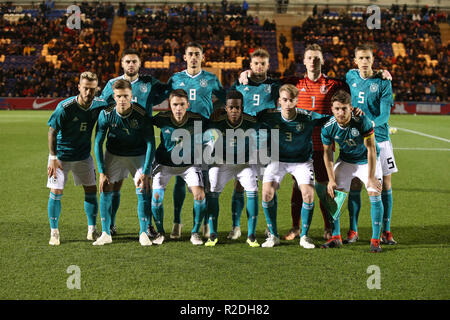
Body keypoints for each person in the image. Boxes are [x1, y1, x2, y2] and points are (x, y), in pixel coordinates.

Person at [100, 48, 168, 237]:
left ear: (140, 64)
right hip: (117, 146)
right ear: (122, 64)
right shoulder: (112, 84)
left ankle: (147, 227)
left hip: (141, 146)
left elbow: (169, 90)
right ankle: (111, 225)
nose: (131, 64)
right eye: (127, 61)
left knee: (145, 186)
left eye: (134, 61)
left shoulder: (149, 83)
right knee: (115, 186)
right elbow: (101, 105)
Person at [284, 44, 349, 242]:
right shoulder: (295, 83)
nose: (313, 61)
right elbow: (266, 83)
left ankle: (329, 228)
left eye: (317, 58)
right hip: (301, 147)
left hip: (323, 147)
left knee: (325, 188)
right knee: (297, 187)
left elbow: (353, 88)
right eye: (309, 57)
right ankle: (296, 227)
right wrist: (246, 74)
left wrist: (381, 73)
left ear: (322, 61)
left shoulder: (334, 85)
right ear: (304, 61)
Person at [167, 42, 226, 240]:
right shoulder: (175, 79)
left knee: (206, 179)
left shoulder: (211, 79)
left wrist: (214, 112)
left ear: (202, 57)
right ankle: (177, 222)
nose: (193, 57)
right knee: (180, 179)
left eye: (197, 54)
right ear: (184, 57)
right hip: (183, 134)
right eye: (190, 54)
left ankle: (204, 225)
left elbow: (225, 98)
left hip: (206, 135)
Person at [258, 84, 329, 248]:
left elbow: (329, 118)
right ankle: (273, 235)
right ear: (279, 101)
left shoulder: (308, 117)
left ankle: (304, 236)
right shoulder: (270, 116)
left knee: (308, 194)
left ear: (297, 100)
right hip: (277, 160)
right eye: (284, 100)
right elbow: (248, 117)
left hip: (302, 162)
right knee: (267, 193)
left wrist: (352, 112)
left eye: (291, 100)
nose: (288, 104)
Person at [46, 71, 108, 246]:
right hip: (61, 157)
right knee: (56, 192)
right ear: (79, 87)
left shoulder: (99, 105)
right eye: (86, 88)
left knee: (91, 190)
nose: (89, 93)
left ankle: (92, 230)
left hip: (83, 156)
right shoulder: (65, 107)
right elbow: (52, 131)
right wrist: (52, 157)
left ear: (97, 89)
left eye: (92, 89)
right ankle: (54, 232)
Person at [93, 79, 156, 246]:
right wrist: (101, 171)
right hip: (114, 154)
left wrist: (146, 171)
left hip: (138, 154)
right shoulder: (105, 114)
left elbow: (151, 142)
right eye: (119, 96)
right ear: (114, 96)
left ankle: (143, 232)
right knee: (105, 187)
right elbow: (98, 142)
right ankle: (106, 232)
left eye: (125, 96)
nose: (122, 99)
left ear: (131, 96)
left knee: (143, 188)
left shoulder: (141, 114)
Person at [345, 44, 397, 245]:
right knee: (355, 183)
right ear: (355, 60)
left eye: (368, 58)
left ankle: (386, 231)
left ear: (373, 60)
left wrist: (371, 123)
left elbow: (385, 113)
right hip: (357, 139)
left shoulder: (384, 82)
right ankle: (353, 230)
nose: (364, 61)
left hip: (380, 138)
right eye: (361, 58)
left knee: (385, 184)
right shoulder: (350, 76)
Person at [320, 90, 384, 252]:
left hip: (367, 160)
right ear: (332, 109)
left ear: (351, 108)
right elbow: (327, 154)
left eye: (344, 109)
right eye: (337, 109)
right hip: (347, 160)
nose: (341, 112)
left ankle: (375, 240)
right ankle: (336, 237)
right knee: (333, 193)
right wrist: (331, 180)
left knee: (374, 191)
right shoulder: (328, 127)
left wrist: (370, 177)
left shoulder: (362, 120)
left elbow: (372, 150)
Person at [228, 48, 280, 240]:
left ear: (268, 65)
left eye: (263, 63)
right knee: (239, 185)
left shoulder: (275, 85)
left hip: (268, 142)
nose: (259, 67)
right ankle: (235, 226)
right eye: (256, 63)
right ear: (250, 65)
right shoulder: (240, 84)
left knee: (269, 187)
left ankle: (269, 227)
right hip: (245, 141)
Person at [151, 89, 208, 246]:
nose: (178, 108)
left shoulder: (198, 119)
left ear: (188, 105)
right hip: (164, 164)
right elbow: (143, 126)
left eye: (182, 104)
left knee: (200, 196)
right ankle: (160, 232)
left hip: (188, 165)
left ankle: (195, 232)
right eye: (175, 104)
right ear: (169, 105)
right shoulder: (161, 118)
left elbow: (215, 128)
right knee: (156, 199)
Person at [205, 90, 261, 247]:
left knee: (252, 188)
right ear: (226, 107)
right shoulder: (218, 121)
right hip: (222, 163)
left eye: (237, 107)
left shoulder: (251, 121)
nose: (234, 111)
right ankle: (213, 234)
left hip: (244, 164)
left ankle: (251, 235)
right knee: (213, 188)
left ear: (242, 107)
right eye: (231, 107)